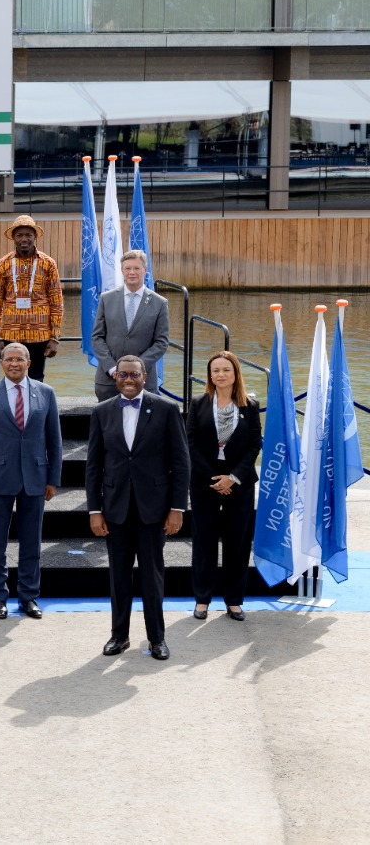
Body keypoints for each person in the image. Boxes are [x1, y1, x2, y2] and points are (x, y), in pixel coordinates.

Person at [87, 355, 191, 660]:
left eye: (134, 374)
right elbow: (94, 465)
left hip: (154, 509)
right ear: (115, 378)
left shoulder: (167, 410)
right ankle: (119, 636)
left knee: (151, 575)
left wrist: (177, 508)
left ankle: (156, 638)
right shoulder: (102, 412)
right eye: (122, 375)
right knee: (118, 577)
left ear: (145, 376)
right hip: (115, 508)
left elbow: (181, 463)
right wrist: (95, 510)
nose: (128, 379)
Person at [0, 342, 62, 620]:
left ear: (29, 362)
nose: (14, 364)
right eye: (9, 359)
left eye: (20, 359)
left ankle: (29, 596)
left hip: (36, 478)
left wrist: (53, 478)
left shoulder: (46, 393)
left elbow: (54, 440)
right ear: (1, 362)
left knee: (31, 542)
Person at [186, 351, 261, 622]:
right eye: (215, 370)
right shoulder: (197, 403)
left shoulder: (250, 406)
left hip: (238, 483)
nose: (220, 374)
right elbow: (190, 442)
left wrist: (233, 477)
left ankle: (234, 601)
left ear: (235, 373)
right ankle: (202, 599)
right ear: (210, 375)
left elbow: (255, 445)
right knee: (204, 542)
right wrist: (214, 479)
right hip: (205, 482)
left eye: (225, 370)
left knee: (237, 543)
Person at [0, 214, 63, 382]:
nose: (24, 239)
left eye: (28, 235)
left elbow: (56, 301)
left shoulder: (48, 263)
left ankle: (36, 409)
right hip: (10, 334)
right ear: (13, 238)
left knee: (37, 377)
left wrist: (54, 337)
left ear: (35, 237)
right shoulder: (3, 264)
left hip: (40, 334)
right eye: (19, 235)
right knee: (12, 376)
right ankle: (14, 408)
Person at [92, 248, 171, 400]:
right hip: (109, 381)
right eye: (127, 268)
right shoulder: (106, 299)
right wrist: (113, 368)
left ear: (145, 270)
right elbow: (97, 338)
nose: (132, 272)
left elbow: (161, 343)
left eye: (136, 268)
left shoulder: (159, 303)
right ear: (122, 270)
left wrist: (137, 369)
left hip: (144, 382)